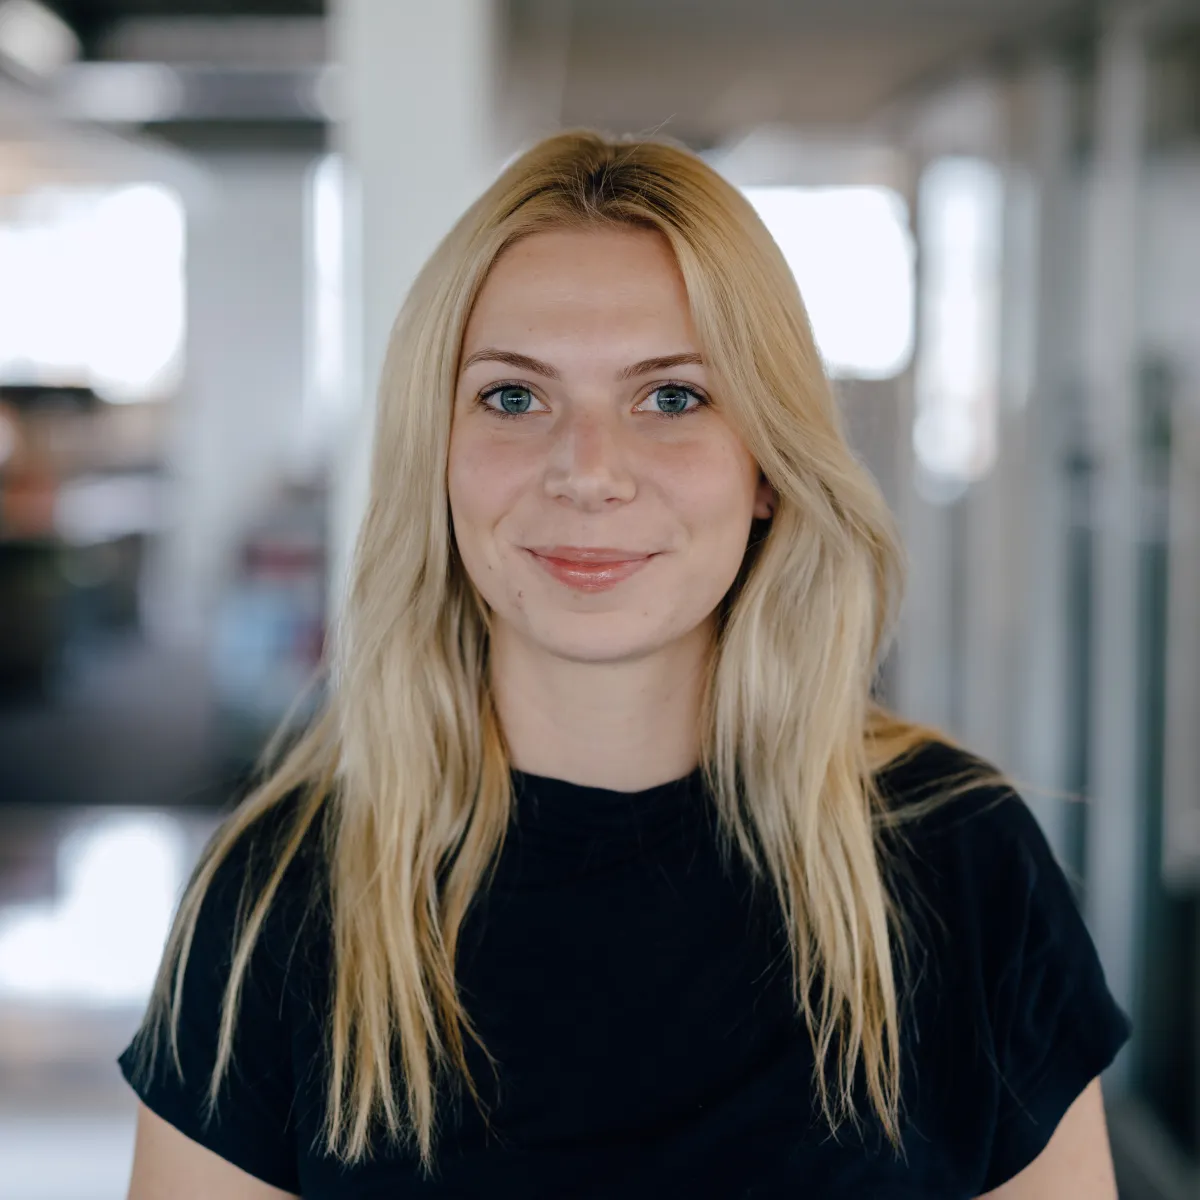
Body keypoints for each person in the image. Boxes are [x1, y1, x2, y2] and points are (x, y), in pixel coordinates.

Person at [120, 131, 1130, 1200]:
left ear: (768, 470)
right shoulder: (280, 894)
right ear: (438, 456)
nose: (588, 471)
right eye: (514, 397)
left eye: (673, 398)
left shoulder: (962, 861)